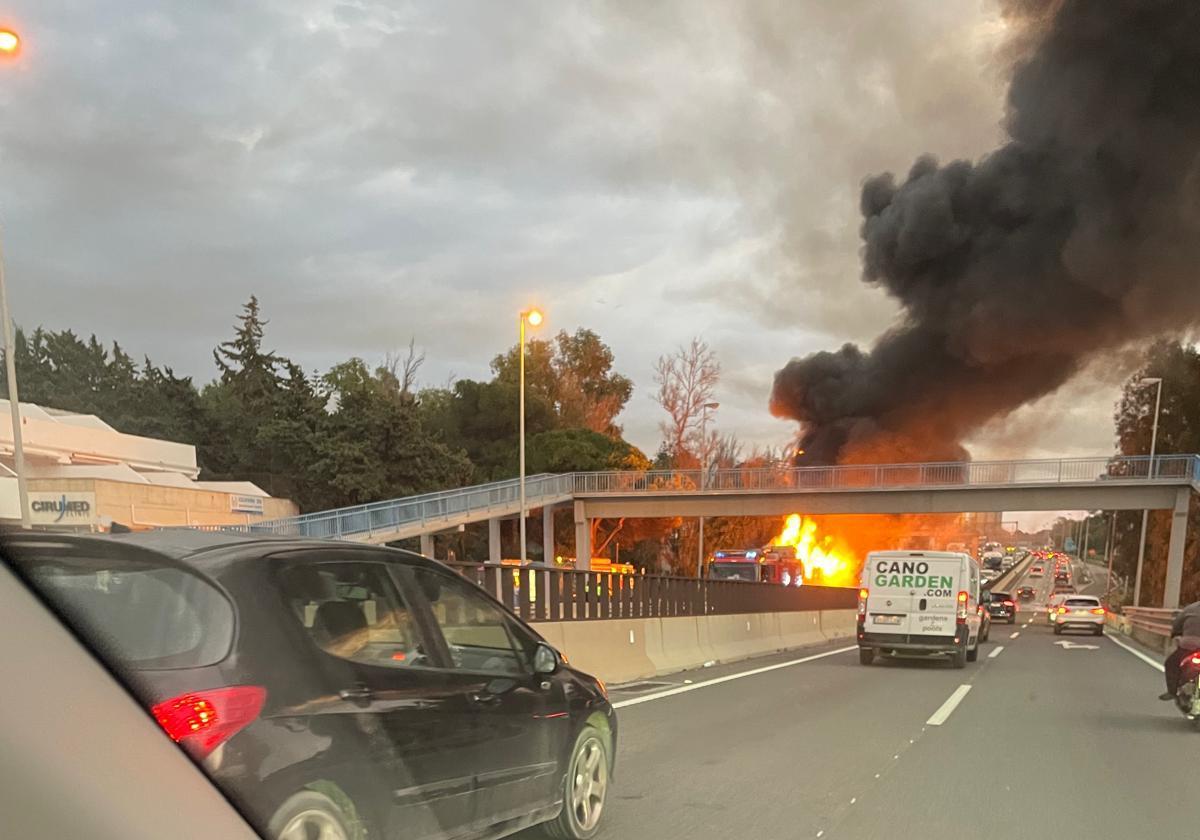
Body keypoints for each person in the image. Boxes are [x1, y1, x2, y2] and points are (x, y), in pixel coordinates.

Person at [1159, 599, 1200, 700]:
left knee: (1171, 664)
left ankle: (1171, 692)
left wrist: (1176, 635)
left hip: (1189, 645)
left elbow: (1177, 625)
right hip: (1190, 645)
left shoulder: (1190, 609)